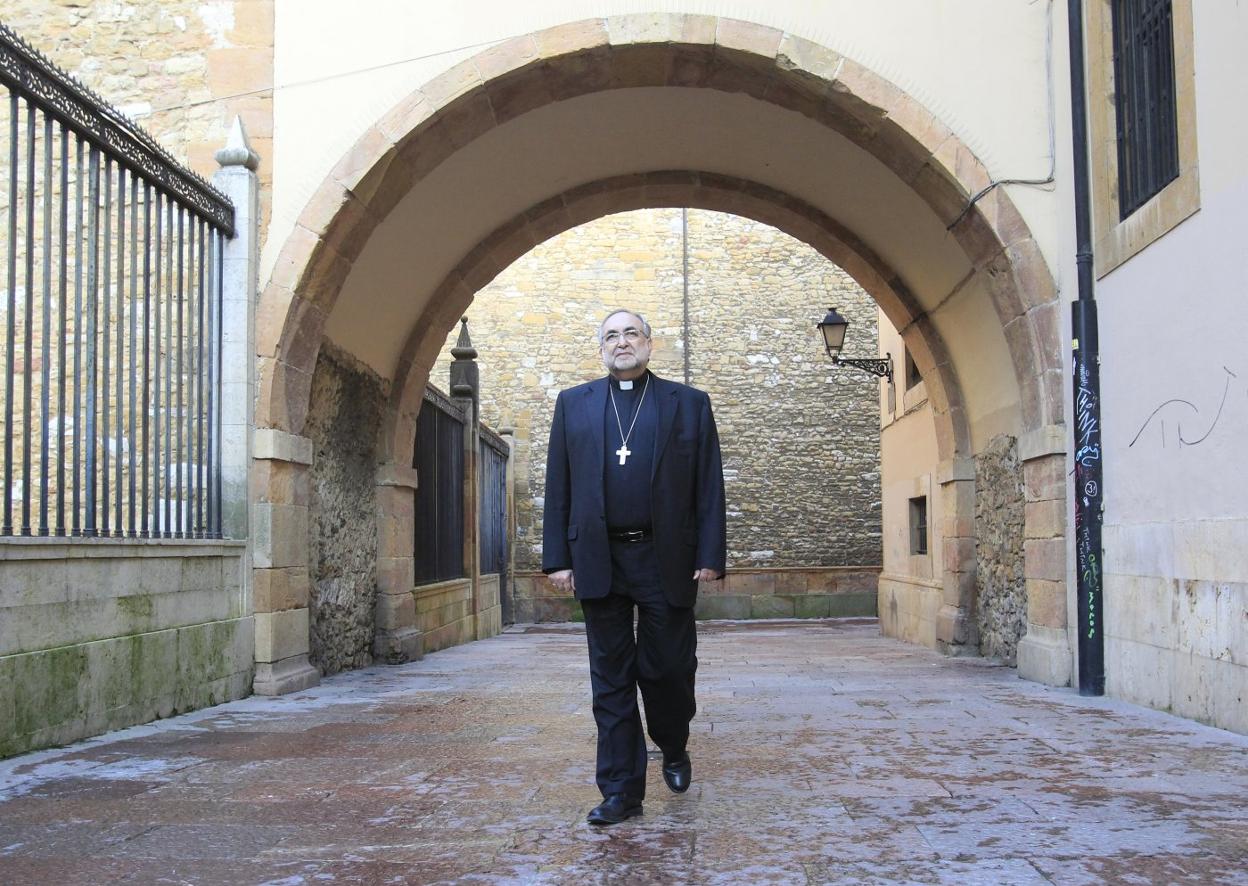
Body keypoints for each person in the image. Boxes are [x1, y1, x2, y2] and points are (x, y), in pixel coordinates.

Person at [542, 308, 727, 826]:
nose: (621, 343)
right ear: (600, 348)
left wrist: (710, 555)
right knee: (611, 679)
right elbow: (560, 483)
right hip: (599, 558)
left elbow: (709, 484)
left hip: (664, 557)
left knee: (667, 668)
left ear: (649, 343)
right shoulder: (573, 404)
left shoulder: (687, 404)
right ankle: (621, 791)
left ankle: (672, 742)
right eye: (611, 336)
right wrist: (557, 557)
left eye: (631, 334)